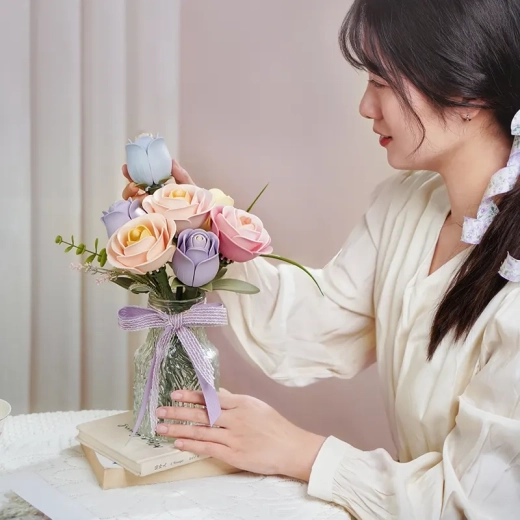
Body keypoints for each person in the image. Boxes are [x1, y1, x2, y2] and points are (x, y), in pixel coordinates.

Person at [123, 0, 520, 517]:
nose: (365, 107)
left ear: (466, 92)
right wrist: (201, 229)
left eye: (381, 82)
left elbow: (470, 505)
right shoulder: (404, 205)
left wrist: (299, 451)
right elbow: (309, 325)